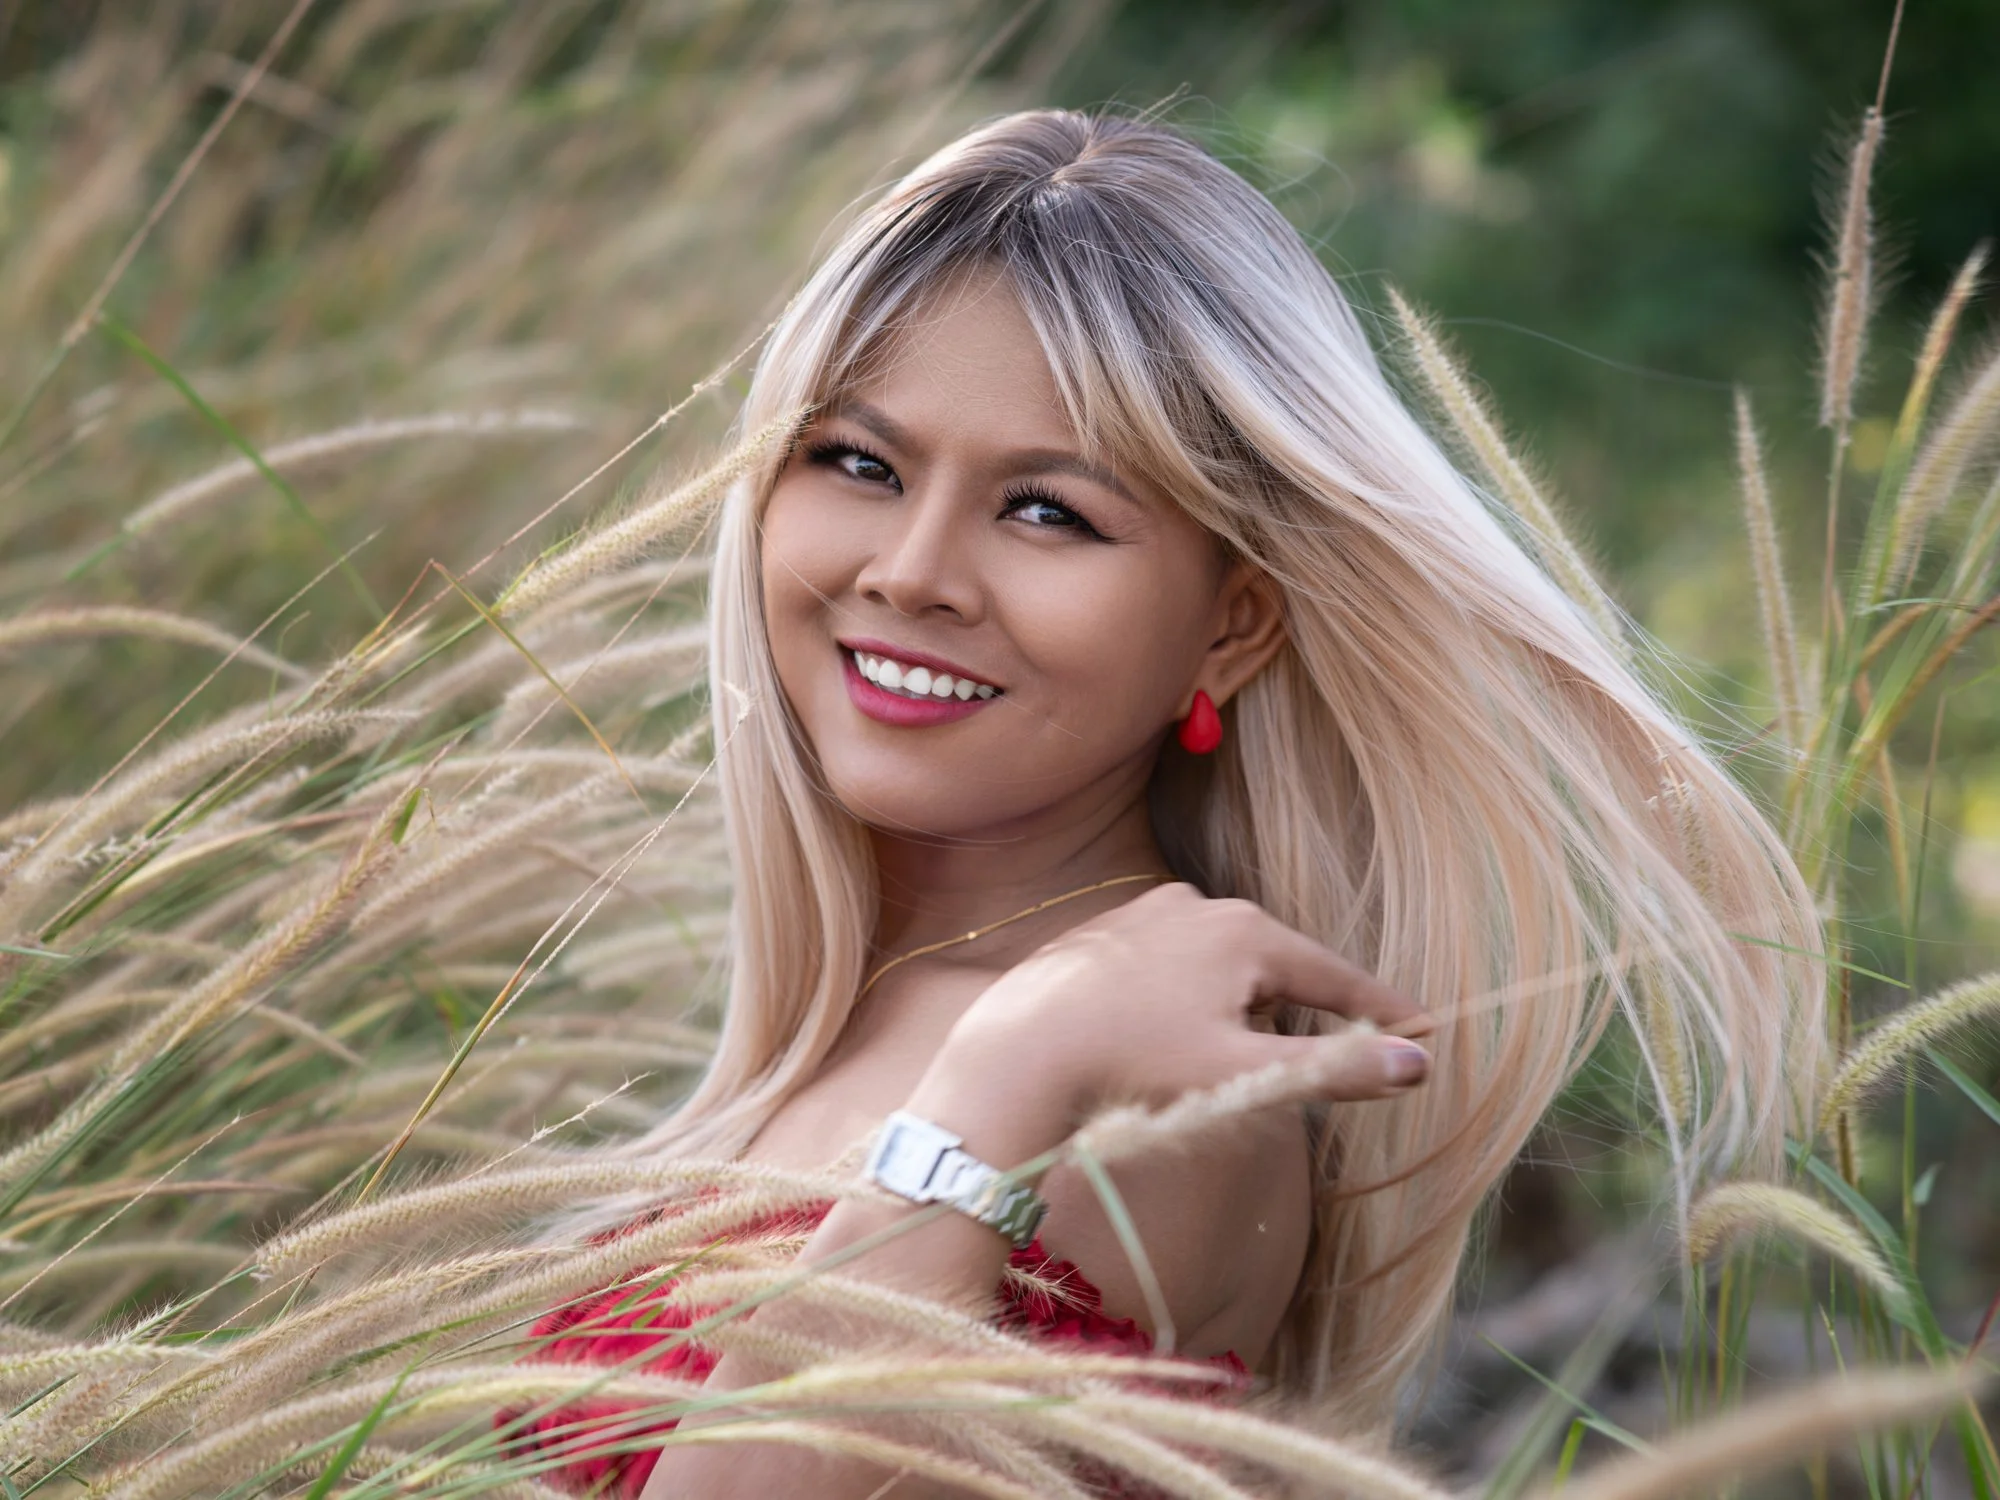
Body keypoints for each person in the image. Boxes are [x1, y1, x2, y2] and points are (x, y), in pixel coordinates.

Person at [509, 108, 1825, 1497]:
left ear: (1230, 628)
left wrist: (1007, 1085)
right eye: (860, 463)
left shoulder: (1151, 1093)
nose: (911, 571)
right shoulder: (914, 1013)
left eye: (1047, 511)